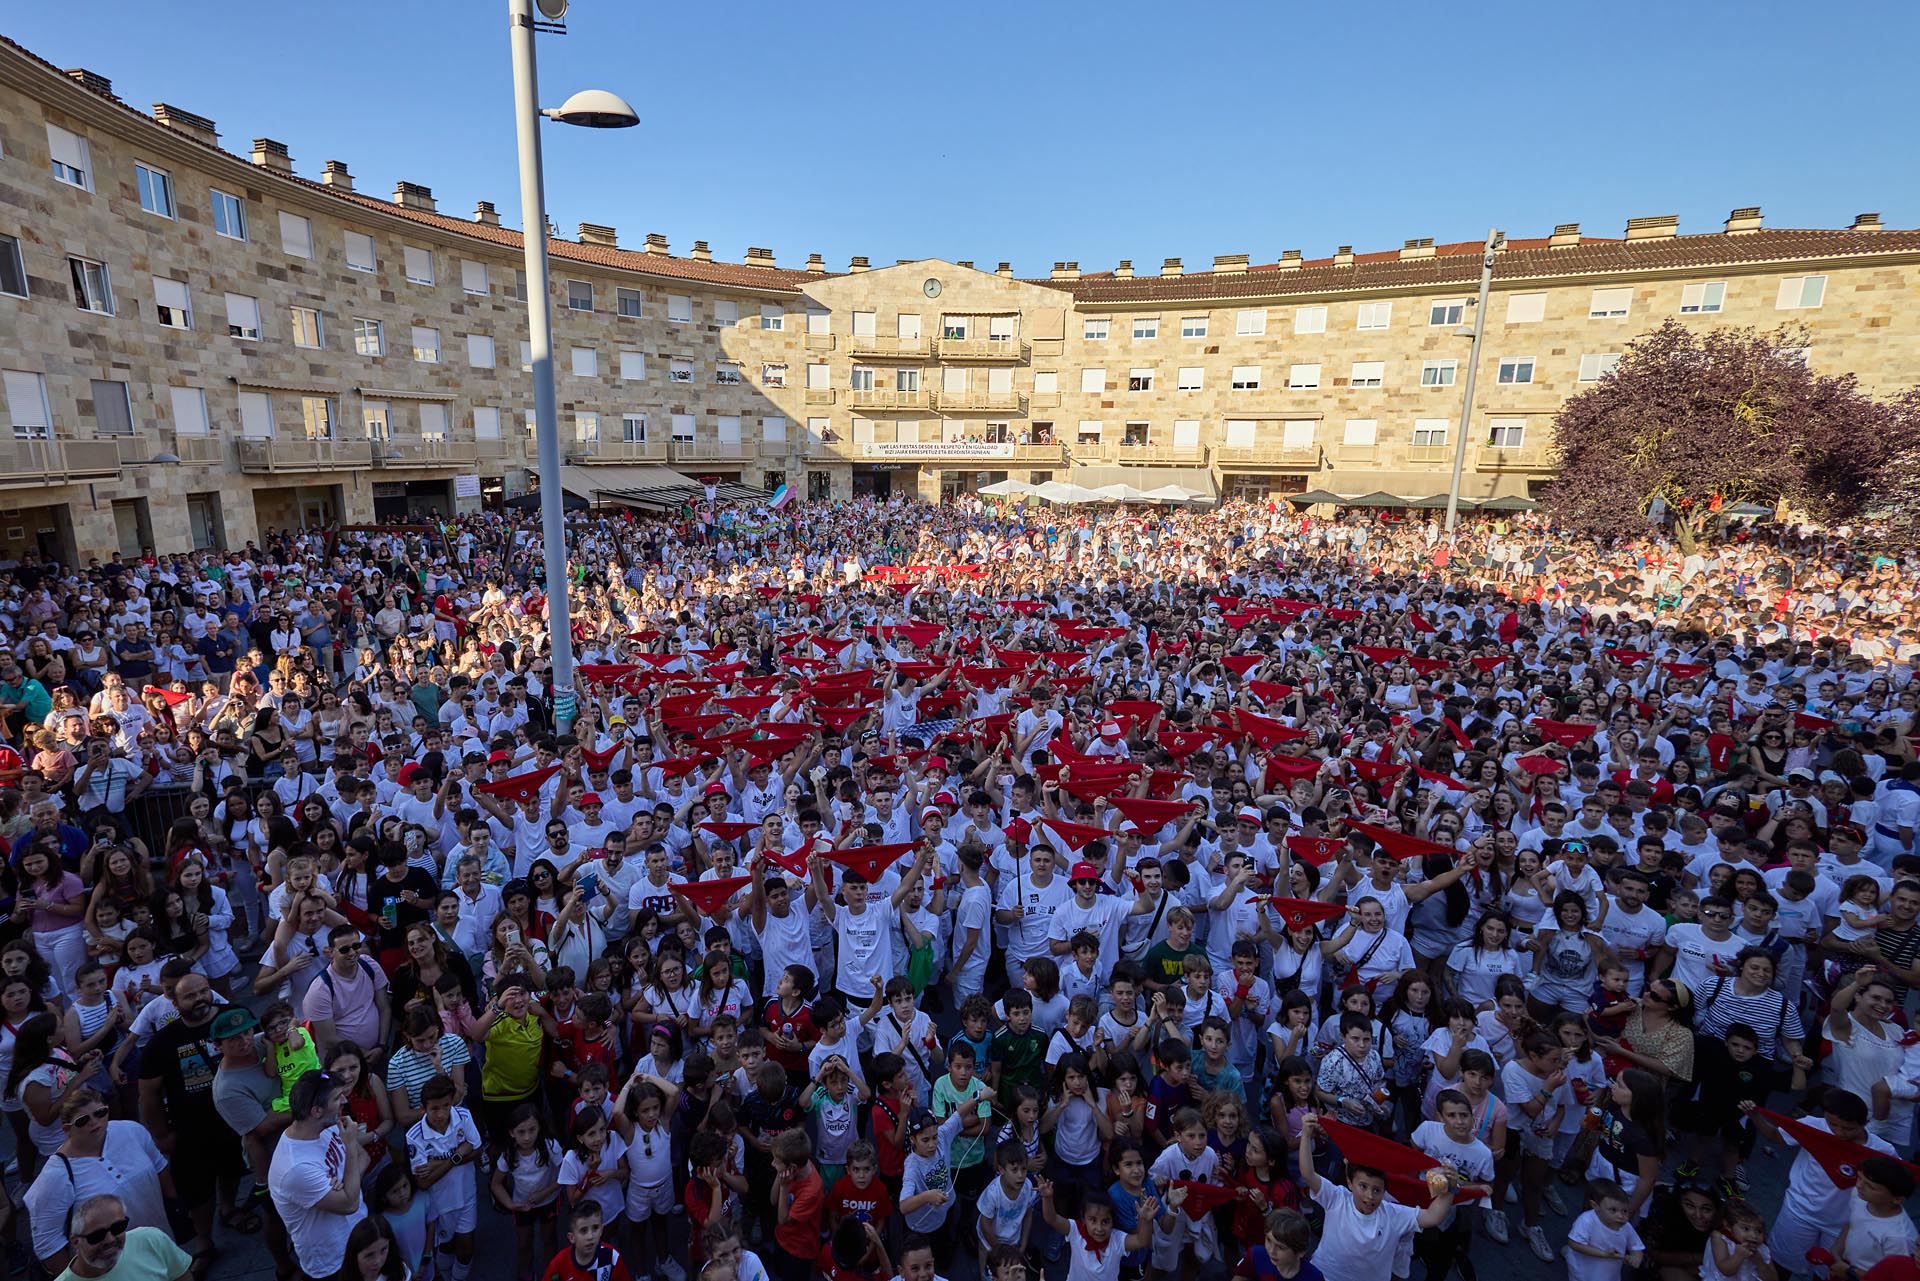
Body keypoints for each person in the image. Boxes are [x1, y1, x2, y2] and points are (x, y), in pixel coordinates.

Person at [134, 972, 251, 1267]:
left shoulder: (235, 1018)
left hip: (235, 1120)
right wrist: (160, 1135)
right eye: (190, 995)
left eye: (204, 991)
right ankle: (203, 1239)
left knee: (233, 1169)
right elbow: (148, 1093)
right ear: (174, 1001)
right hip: (191, 1130)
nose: (199, 998)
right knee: (197, 1190)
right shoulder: (162, 1042)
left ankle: (228, 1209)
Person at [23, 1090, 173, 1275]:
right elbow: (48, 1244)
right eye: (82, 1120)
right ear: (67, 1129)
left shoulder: (131, 1130)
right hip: (110, 1271)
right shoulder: (55, 1177)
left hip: (160, 1249)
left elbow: (159, 1166)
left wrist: (176, 1206)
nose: (94, 1122)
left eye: (100, 1113)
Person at [267, 1070, 371, 1281]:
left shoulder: (327, 1125)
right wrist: (350, 1146)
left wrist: (344, 1183)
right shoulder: (296, 1168)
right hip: (334, 1261)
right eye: (337, 1097)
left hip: (359, 1239)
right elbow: (349, 1204)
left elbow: (365, 1158)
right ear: (316, 1110)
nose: (344, 1100)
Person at [55, 1193, 192, 1281]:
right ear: (75, 1241)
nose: (109, 1240)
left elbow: (181, 1276)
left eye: (117, 1228)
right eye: (97, 1235)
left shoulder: (151, 1239)